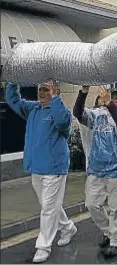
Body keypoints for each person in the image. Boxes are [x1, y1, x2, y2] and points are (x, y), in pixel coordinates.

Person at [6, 80, 76, 263]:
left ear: (54, 91)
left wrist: (54, 99)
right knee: (50, 205)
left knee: (48, 207)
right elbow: (13, 100)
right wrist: (13, 81)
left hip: (55, 167)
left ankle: (43, 246)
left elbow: (62, 123)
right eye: (40, 89)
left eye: (46, 89)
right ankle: (67, 227)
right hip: (36, 166)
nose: (42, 93)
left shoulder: (60, 109)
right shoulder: (33, 109)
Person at [73, 86, 117, 257]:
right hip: (96, 169)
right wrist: (83, 91)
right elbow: (78, 113)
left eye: (115, 98)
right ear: (98, 100)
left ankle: (115, 242)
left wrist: (110, 105)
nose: (111, 100)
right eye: (106, 98)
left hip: (116, 169)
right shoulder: (94, 116)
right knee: (91, 204)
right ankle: (109, 231)